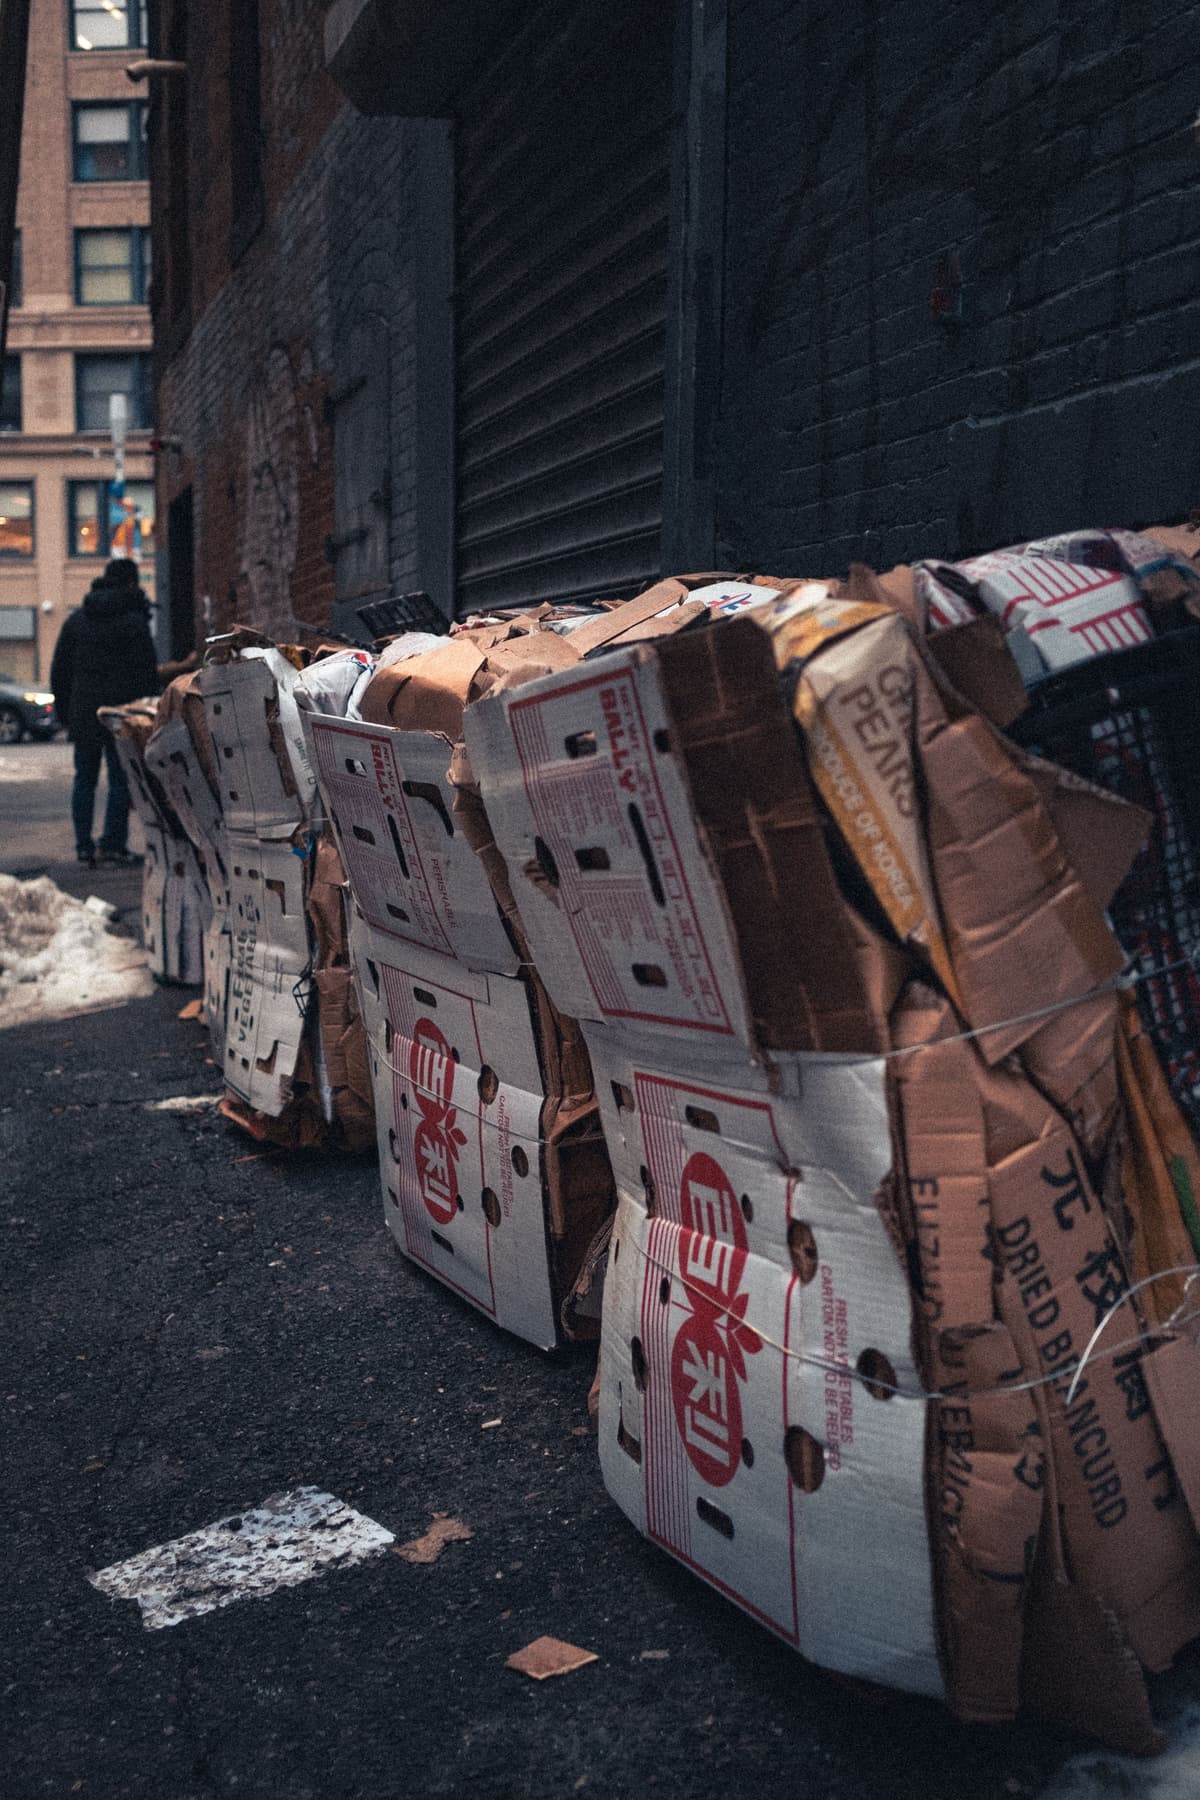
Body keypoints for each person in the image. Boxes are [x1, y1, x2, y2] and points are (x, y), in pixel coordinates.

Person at [50, 557, 160, 867]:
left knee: (83, 778)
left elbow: (60, 669)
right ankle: (113, 844)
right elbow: (146, 673)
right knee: (120, 779)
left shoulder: (77, 620)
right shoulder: (133, 621)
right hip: (119, 714)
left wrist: (64, 712)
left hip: (83, 711)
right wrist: (146, 713)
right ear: (131, 583)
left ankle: (84, 846)